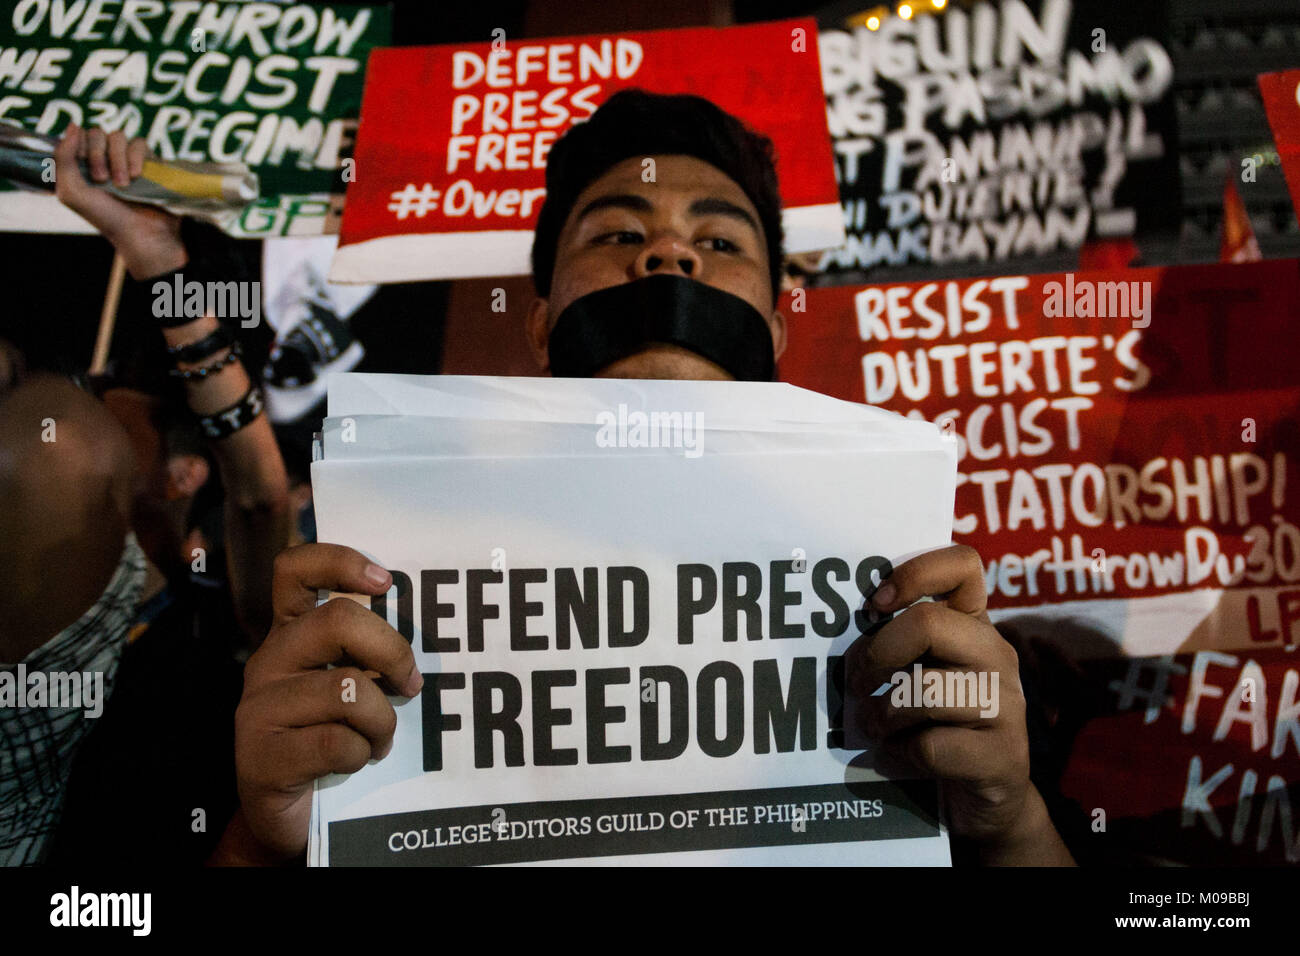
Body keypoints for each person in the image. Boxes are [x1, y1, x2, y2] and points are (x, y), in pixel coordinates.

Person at [98, 88, 1064, 865]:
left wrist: (1009, 822)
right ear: (540, 320)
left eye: (720, 242)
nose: (669, 252)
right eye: (614, 234)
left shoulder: (920, 637)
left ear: (773, 327)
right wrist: (270, 842)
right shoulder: (385, 579)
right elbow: (261, 492)